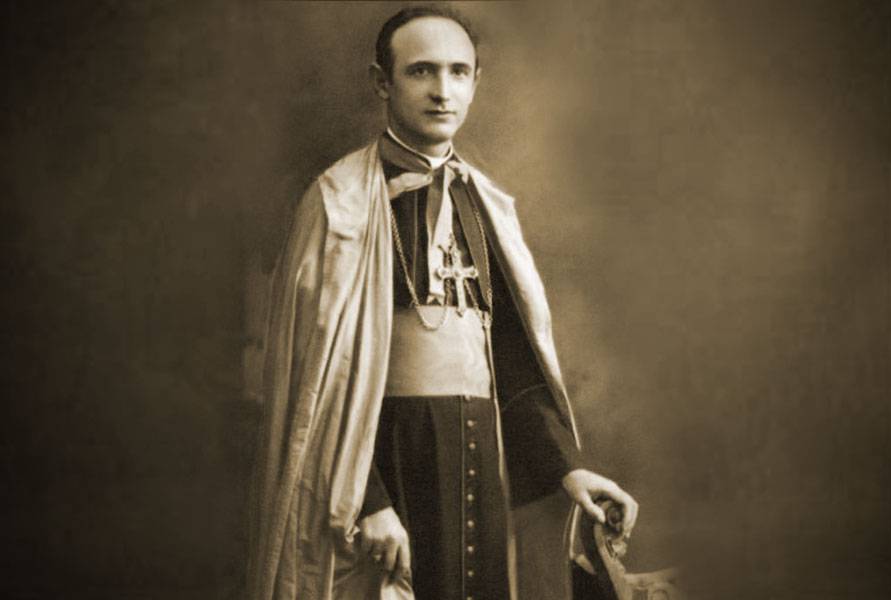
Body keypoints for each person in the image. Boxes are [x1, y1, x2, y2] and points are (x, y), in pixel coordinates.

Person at [247, 6, 638, 600]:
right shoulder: (338, 204)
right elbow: (316, 388)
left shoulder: (488, 206)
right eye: (421, 71)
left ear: (476, 82)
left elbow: (514, 367)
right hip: (388, 464)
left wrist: (568, 467)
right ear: (383, 82)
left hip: (480, 460)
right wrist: (369, 501)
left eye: (458, 72)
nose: (442, 90)